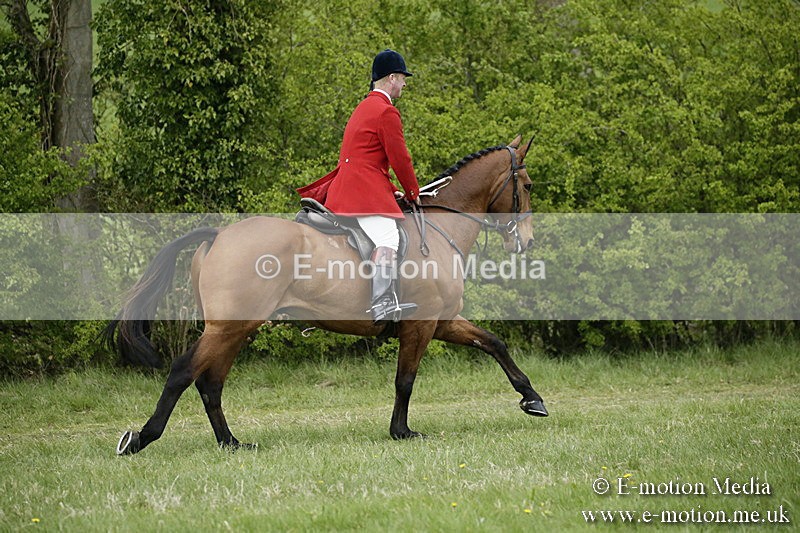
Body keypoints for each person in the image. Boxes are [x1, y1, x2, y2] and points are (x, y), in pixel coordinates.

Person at [297, 49, 421, 322]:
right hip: (362, 194)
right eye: (403, 78)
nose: (404, 84)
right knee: (389, 238)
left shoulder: (363, 107)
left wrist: (392, 191)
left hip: (348, 188)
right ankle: (382, 303)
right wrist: (412, 192)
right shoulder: (386, 111)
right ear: (392, 77)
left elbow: (367, 161)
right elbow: (400, 159)